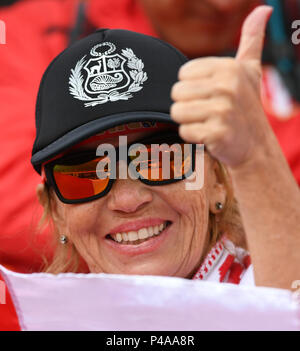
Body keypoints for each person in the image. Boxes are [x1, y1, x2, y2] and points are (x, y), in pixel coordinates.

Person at [1, 0, 299, 275]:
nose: (129, 200)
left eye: (164, 160)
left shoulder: (282, 35)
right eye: (86, 175)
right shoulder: (21, 37)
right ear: (54, 211)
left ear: (220, 182)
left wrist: (255, 160)